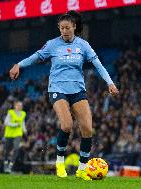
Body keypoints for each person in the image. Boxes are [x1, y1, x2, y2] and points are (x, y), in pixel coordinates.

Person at [9, 10, 119, 180]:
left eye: (67, 28)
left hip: (77, 90)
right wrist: (19, 65)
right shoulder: (52, 44)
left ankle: (82, 169)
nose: (64, 31)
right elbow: (36, 57)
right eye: (61, 28)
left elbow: (98, 64)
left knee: (88, 129)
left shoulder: (83, 45)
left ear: (74, 27)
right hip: (57, 88)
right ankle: (59, 163)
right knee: (67, 125)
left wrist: (110, 82)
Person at [3, 101, 27, 173]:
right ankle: (5, 164)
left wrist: (25, 130)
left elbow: (22, 123)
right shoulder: (10, 112)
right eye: (18, 105)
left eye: (21, 105)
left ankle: (10, 166)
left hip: (18, 134)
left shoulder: (23, 113)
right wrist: (15, 125)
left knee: (16, 149)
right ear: (15, 106)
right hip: (9, 134)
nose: (20, 107)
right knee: (7, 151)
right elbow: (6, 122)